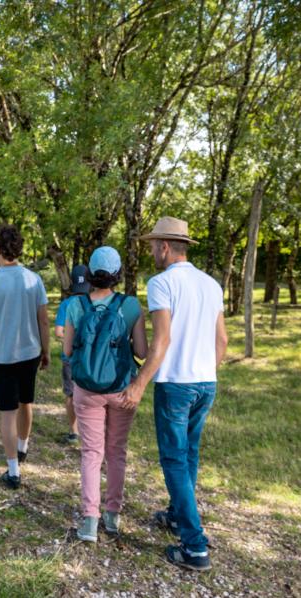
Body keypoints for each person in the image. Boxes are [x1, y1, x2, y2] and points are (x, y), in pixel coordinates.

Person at [122, 217, 228, 571]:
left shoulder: (161, 283)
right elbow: (222, 340)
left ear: (165, 247)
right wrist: (204, 370)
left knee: (173, 459)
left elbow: (161, 341)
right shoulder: (212, 284)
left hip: (176, 385)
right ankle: (176, 514)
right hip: (205, 382)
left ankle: (195, 546)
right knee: (189, 454)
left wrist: (138, 384)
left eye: (153, 246)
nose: (152, 251)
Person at [62, 246, 147, 543]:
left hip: (86, 389)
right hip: (122, 389)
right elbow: (141, 351)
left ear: (90, 273)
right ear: (117, 273)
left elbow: (68, 350)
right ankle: (113, 515)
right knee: (116, 452)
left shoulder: (76, 305)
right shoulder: (131, 306)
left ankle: (88, 522)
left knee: (91, 453)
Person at [0, 224, 49, 490]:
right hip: (30, 352)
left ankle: (13, 471)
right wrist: (46, 350)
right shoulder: (34, 280)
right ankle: (23, 447)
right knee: (26, 402)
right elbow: (43, 321)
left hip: (4, 355)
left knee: (7, 413)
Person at [54, 264, 92, 444]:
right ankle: (90, 431)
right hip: (89, 358)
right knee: (90, 395)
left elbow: (58, 332)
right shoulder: (93, 302)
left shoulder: (66, 304)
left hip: (69, 357)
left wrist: (70, 339)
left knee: (70, 395)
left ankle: (74, 432)